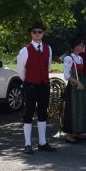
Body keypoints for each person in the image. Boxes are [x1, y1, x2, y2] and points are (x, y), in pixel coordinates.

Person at [16, 21, 55, 155]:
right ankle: (27, 144)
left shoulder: (48, 48)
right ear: (31, 34)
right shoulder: (25, 50)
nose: (37, 34)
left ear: (43, 33)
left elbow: (48, 66)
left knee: (43, 113)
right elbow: (20, 70)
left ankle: (42, 143)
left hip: (44, 85)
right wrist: (29, 81)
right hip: (31, 86)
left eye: (40, 32)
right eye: (34, 32)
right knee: (28, 114)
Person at [62, 38, 86, 142]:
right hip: (73, 87)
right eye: (82, 45)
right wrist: (78, 82)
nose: (83, 47)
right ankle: (69, 135)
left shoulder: (80, 58)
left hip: (81, 85)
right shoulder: (69, 58)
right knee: (73, 109)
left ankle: (78, 132)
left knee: (80, 108)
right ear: (76, 47)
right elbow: (66, 76)